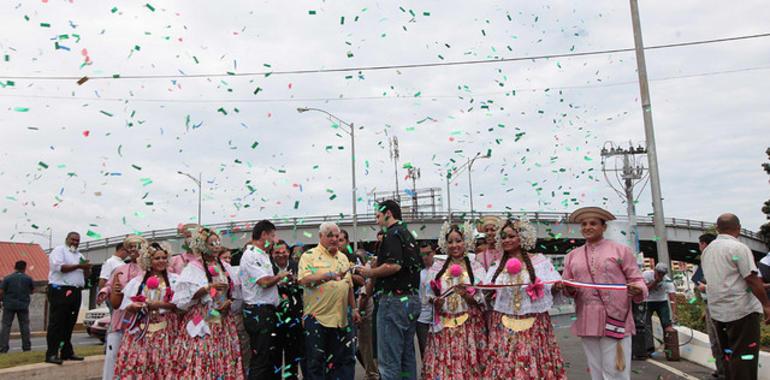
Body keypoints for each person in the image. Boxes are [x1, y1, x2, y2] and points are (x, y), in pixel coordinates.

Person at [562, 207, 647, 380]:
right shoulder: (572, 256)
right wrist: (566, 288)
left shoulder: (620, 250)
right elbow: (567, 285)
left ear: (604, 227)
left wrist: (637, 289)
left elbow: (636, 279)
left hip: (616, 316)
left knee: (616, 369)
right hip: (587, 317)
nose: (587, 227)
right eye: (584, 224)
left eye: (593, 223)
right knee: (595, 369)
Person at [483, 219, 567, 379]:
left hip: (534, 322)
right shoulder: (497, 265)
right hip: (504, 322)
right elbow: (489, 291)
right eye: (503, 237)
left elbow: (553, 284)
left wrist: (558, 286)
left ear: (522, 237)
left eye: (511, 236)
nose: (506, 240)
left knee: (531, 358)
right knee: (506, 362)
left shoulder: (539, 261)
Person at [358, 200, 423, 380]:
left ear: (388, 213)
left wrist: (370, 271)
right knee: (406, 356)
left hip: (394, 300)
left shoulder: (392, 233)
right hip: (411, 300)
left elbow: (393, 265)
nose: (376, 220)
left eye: (378, 215)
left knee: (389, 360)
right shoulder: (407, 234)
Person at [702, 213, 770, 380]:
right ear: (738, 228)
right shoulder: (738, 248)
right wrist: (766, 305)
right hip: (742, 312)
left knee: (728, 357)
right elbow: (751, 279)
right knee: (744, 359)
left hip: (718, 313)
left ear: (718, 229)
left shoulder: (707, 251)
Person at [172, 227, 244, 379]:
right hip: (201, 317)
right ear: (203, 246)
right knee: (201, 351)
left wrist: (227, 303)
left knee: (221, 352)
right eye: (212, 243)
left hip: (221, 317)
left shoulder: (224, 266)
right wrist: (208, 288)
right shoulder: (194, 267)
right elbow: (187, 298)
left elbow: (232, 291)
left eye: (218, 242)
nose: (217, 245)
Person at [421, 222, 487, 380]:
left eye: (458, 240)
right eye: (450, 241)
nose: (454, 245)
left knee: (468, 365)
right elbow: (428, 294)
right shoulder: (437, 268)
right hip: (444, 326)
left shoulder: (476, 267)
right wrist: (435, 302)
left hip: (469, 327)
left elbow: (483, 298)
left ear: (466, 242)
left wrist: (467, 296)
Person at [298, 222, 359, 380]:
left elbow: (349, 286)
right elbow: (304, 280)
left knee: (340, 362)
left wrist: (355, 308)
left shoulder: (343, 257)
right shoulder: (309, 256)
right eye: (329, 235)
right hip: (318, 318)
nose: (334, 239)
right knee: (316, 362)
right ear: (320, 236)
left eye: (336, 236)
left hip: (341, 319)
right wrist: (328, 275)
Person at [113, 242, 179, 378]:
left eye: (163, 258)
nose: (161, 261)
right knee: (141, 363)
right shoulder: (137, 282)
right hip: (141, 329)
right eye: (157, 258)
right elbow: (127, 307)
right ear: (149, 260)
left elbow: (180, 306)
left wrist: (159, 305)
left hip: (167, 330)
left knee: (165, 364)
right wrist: (133, 307)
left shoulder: (175, 281)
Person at [239, 220, 285, 380]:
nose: (275, 240)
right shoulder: (251, 254)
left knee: (271, 358)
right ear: (264, 235)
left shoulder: (263, 255)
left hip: (268, 311)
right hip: (258, 312)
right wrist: (280, 276)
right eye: (272, 235)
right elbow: (264, 282)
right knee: (261, 359)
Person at [97, 236, 144, 380]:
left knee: (138, 357)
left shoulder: (148, 269)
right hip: (121, 317)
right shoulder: (120, 269)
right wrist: (105, 292)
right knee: (113, 354)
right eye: (130, 247)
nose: (133, 250)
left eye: (137, 246)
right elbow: (109, 285)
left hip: (141, 319)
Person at [45, 232, 91, 365]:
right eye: (73, 239)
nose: (75, 242)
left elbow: (85, 275)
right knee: (57, 323)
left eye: (77, 240)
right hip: (60, 289)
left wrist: (87, 268)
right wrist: (79, 266)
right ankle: (52, 353)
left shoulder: (80, 255)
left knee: (69, 323)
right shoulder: (59, 250)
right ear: (67, 239)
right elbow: (60, 268)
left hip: (76, 290)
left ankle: (66, 352)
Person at [691, 233, 725, 379]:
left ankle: (726, 370)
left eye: (700, 244)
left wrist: (706, 288)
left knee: (719, 339)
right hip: (710, 303)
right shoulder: (706, 260)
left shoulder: (714, 259)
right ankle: (721, 369)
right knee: (715, 340)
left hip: (719, 303)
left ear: (704, 244)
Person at [272, 239, 305, 380]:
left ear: (289, 252)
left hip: (294, 316)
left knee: (293, 355)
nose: (281, 255)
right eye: (277, 252)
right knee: (274, 356)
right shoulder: (267, 267)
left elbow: (304, 289)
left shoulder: (296, 266)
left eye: (284, 252)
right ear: (271, 254)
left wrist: (295, 282)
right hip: (274, 317)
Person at [642, 263, 677, 356]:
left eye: (663, 274)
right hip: (647, 301)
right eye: (659, 273)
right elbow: (644, 289)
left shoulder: (668, 281)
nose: (660, 275)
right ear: (654, 270)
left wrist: (674, 313)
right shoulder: (646, 275)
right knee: (646, 325)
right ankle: (648, 349)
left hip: (662, 301)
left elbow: (672, 298)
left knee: (666, 324)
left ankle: (669, 349)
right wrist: (655, 282)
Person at [0, 260, 34, 353]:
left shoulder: (7, 278)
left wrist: (1, 300)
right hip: (23, 305)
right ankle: (26, 348)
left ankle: (3, 348)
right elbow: (32, 291)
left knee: (6, 326)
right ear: (24, 268)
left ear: (15, 267)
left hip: (9, 305)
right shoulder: (28, 278)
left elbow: (1, 291)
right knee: (24, 326)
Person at [416, 242, 435, 358]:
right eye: (422, 254)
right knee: (425, 351)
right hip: (422, 318)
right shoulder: (418, 273)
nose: (425, 257)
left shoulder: (440, 270)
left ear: (434, 253)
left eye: (427, 254)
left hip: (438, 316)